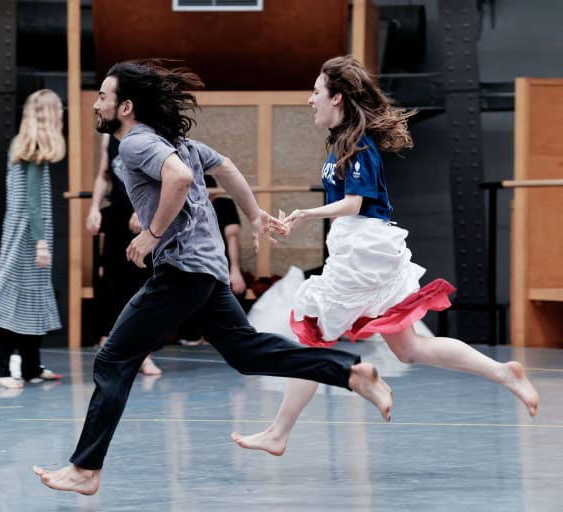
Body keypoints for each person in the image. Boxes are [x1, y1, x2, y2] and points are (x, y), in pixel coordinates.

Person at [33, 60, 393, 495]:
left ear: (125, 107)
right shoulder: (176, 141)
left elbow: (181, 179)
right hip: (206, 270)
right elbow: (225, 166)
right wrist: (254, 211)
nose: (96, 104)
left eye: (104, 97)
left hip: (182, 270)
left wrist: (151, 235)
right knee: (248, 353)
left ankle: (86, 469)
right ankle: (351, 372)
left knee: (113, 359)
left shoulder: (135, 144)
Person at [230, 55, 540, 457]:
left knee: (312, 338)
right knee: (409, 349)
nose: (310, 100)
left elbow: (357, 203)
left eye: (316, 92)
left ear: (337, 97)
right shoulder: (342, 143)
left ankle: (287, 426)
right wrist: (298, 220)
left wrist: (309, 212)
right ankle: (503, 372)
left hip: (363, 252)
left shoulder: (357, 145)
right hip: (362, 248)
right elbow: (348, 202)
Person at [0, 89, 65, 389]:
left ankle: (30, 366)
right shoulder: (35, 147)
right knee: (15, 300)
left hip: (22, 231)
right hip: (28, 235)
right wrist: (40, 242)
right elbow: (33, 202)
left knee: (32, 300)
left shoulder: (22, 144)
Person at [86, 133, 161, 374]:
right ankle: (109, 343)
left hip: (143, 216)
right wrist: (94, 208)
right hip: (118, 215)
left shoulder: (147, 134)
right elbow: (103, 175)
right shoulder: (109, 138)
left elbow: (158, 179)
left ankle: (142, 353)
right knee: (111, 282)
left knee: (139, 285)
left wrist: (141, 209)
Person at [179, 174, 246, 346]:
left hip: (220, 261)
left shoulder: (224, 205)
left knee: (226, 294)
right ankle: (199, 334)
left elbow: (232, 238)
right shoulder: (188, 205)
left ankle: (220, 335)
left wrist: (235, 270)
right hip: (194, 260)